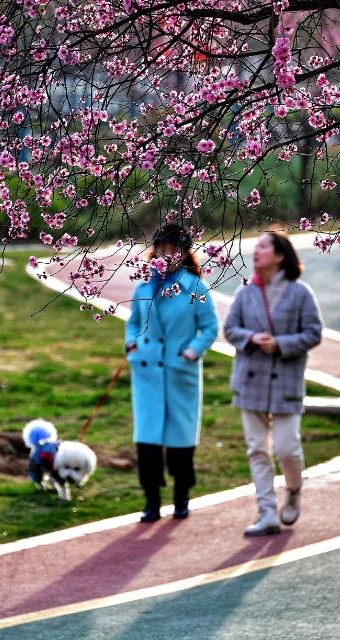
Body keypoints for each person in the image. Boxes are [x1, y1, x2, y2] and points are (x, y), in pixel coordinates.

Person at [223, 231, 324, 536]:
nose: (257, 252)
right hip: (250, 379)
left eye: (264, 247)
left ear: (280, 255)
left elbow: (313, 333)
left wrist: (281, 344)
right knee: (256, 449)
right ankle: (266, 511)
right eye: (256, 247)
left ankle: (293, 490)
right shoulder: (245, 293)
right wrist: (251, 339)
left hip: (286, 381)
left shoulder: (300, 293)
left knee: (286, 448)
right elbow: (230, 329)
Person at [125, 223, 220, 522]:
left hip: (181, 370)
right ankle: (151, 501)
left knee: (181, 439)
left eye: (174, 249)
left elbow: (210, 326)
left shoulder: (196, 287)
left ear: (184, 253)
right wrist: (131, 344)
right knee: (148, 440)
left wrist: (192, 351)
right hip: (148, 372)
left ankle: (181, 498)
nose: (167, 255)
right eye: (162, 249)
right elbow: (132, 322)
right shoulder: (142, 286)